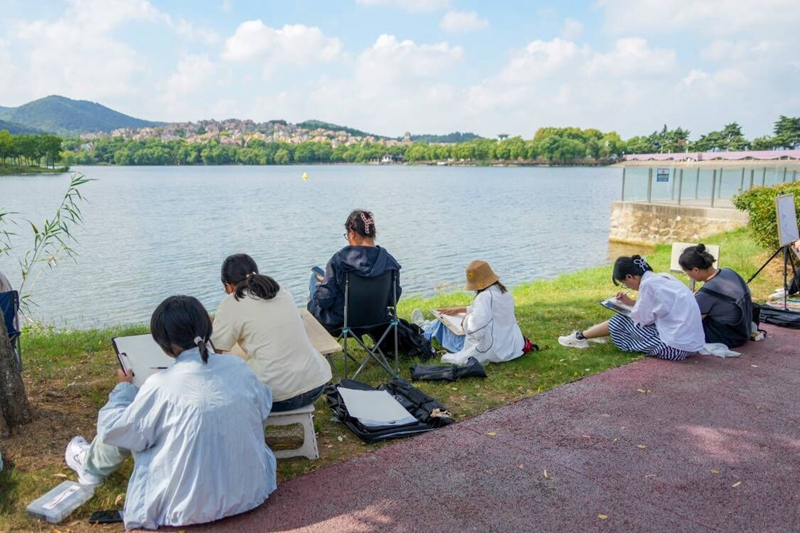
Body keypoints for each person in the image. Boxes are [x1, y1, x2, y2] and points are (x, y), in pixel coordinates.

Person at [64, 296, 276, 530]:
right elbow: (263, 406)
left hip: (183, 508)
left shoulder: (160, 386)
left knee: (131, 426)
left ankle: (89, 466)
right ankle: (90, 465)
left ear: (164, 345)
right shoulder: (238, 368)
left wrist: (123, 389)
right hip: (250, 492)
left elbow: (113, 431)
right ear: (207, 329)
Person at [212, 253, 332, 412]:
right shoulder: (280, 289)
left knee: (227, 374)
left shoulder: (232, 301)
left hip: (276, 397)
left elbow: (214, 352)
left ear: (228, 285)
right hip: (316, 384)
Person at [558, 255, 704, 361]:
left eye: (624, 283)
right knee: (625, 318)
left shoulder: (648, 285)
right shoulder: (664, 277)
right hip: (692, 345)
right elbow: (660, 307)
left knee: (619, 321)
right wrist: (631, 303)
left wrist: (628, 310)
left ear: (630, 276)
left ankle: (580, 337)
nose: (627, 286)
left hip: (675, 349)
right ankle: (587, 335)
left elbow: (643, 320)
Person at [308, 209, 402, 333]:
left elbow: (324, 301)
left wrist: (323, 283)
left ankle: (318, 347)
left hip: (341, 324)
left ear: (352, 233)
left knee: (313, 280)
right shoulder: (390, 262)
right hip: (378, 321)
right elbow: (392, 300)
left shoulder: (340, 259)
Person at [436, 260, 531, 365]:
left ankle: (425, 327)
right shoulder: (504, 293)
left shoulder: (484, 297)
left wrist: (465, 322)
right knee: (445, 322)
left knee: (443, 326)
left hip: (495, 350)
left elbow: (475, 330)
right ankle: (426, 325)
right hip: (512, 347)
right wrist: (460, 310)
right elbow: (492, 311)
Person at [679, 244, 753, 348]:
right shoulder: (729, 272)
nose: (688, 275)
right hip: (745, 328)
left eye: (686, 272)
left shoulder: (707, 292)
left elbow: (691, 321)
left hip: (729, 337)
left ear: (695, 270)